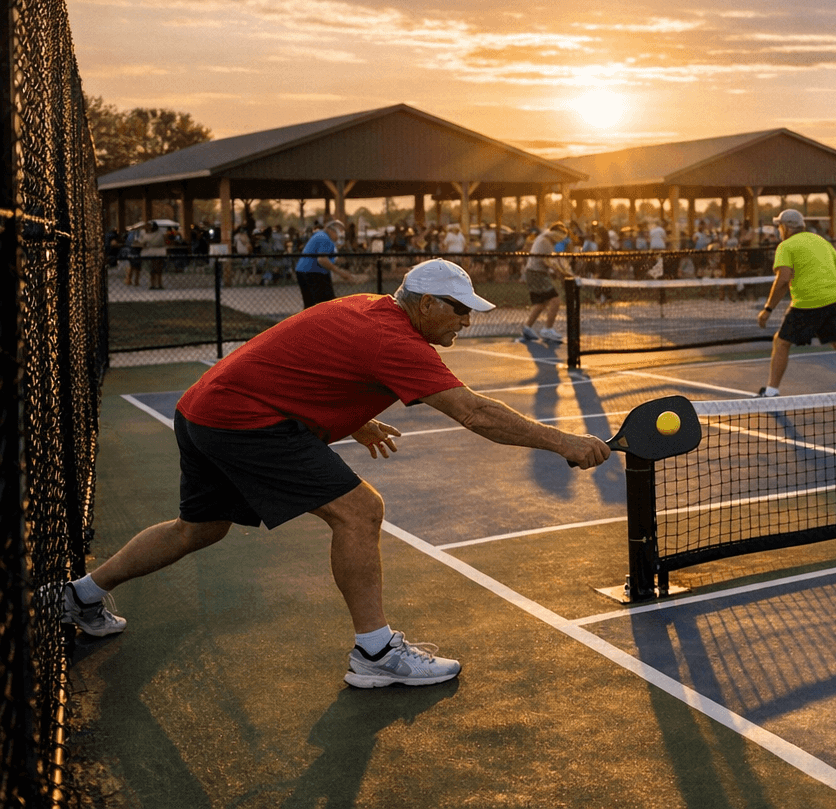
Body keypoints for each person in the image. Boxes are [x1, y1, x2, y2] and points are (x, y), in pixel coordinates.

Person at [56, 258, 610, 687]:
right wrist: (565, 443)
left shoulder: (371, 308)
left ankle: (80, 594)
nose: (467, 319)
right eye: (458, 309)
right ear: (422, 304)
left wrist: (358, 420)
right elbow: (475, 413)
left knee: (198, 528)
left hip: (203, 408)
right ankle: (375, 654)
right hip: (245, 420)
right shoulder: (396, 338)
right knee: (360, 510)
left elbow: (310, 361)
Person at [754, 208, 836, 397]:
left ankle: (771, 392)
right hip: (835, 300)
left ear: (787, 228)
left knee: (781, 343)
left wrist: (767, 309)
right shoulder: (822, 242)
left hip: (807, 305)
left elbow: (783, 280)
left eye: (780, 226)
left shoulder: (786, 246)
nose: (779, 230)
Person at [521, 221, 570, 344]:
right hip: (537, 273)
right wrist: (561, 273)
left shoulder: (544, 239)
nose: (559, 240)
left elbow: (551, 261)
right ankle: (547, 329)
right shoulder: (545, 241)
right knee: (555, 300)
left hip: (534, 272)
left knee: (541, 303)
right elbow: (547, 262)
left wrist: (561, 272)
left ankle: (527, 328)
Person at [295, 219, 358, 308]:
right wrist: (340, 272)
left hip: (302, 271)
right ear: (331, 230)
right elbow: (322, 260)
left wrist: (342, 263)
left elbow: (326, 257)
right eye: (338, 234)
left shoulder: (320, 235)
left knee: (310, 305)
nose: (338, 237)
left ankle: (310, 321)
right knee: (326, 304)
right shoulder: (326, 239)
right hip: (313, 273)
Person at [139, 220, 168, 290]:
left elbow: (142, 243)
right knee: (158, 270)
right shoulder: (161, 233)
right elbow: (165, 241)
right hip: (160, 252)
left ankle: (153, 284)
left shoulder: (146, 235)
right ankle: (159, 284)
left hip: (150, 252)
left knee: (152, 270)